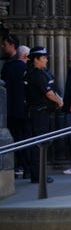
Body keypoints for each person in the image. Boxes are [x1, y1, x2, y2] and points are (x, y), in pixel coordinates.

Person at [24, 46, 62, 183]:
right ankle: (38, 175)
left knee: (41, 143)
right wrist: (59, 101)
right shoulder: (36, 74)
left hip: (41, 112)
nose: (46, 60)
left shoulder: (40, 72)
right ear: (36, 59)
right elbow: (48, 93)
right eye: (44, 58)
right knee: (39, 143)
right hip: (39, 112)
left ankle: (38, 173)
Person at [1, 33, 28, 177]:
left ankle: (20, 166)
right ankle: (23, 166)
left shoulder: (12, 66)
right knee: (22, 137)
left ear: (12, 45)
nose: (2, 47)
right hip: (19, 109)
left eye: (4, 44)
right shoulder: (19, 66)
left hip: (12, 109)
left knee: (19, 137)